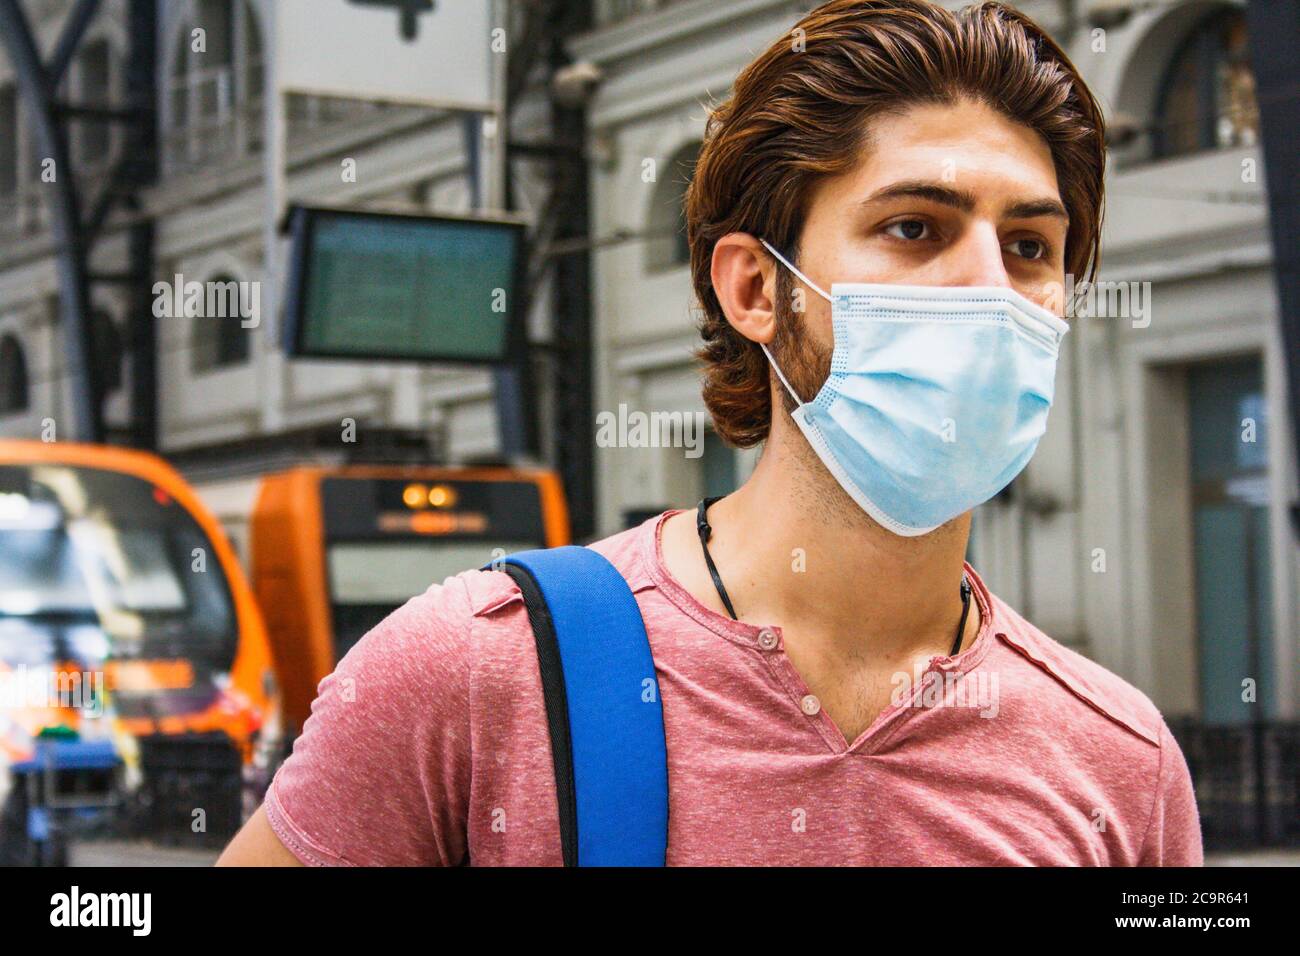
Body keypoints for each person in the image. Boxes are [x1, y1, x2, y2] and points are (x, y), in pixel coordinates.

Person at [218, 0, 1202, 866]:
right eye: (915, 228)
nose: (989, 286)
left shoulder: (1119, 760)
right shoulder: (469, 675)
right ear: (755, 288)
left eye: (1028, 246)